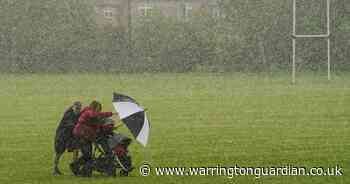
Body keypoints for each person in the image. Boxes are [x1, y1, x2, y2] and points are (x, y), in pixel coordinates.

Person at [70, 100, 114, 176]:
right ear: (94, 107)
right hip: (82, 135)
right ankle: (80, 169)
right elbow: (95, 115)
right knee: (87, 154)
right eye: (98, 108)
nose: (99, 110)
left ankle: (77, 167)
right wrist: (111, 114)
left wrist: (110, 127)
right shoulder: (89, 112)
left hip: (87, 136)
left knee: (88, 154)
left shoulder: (93, 115)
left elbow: (97, 125)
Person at [53, 101, 82, 176]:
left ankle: (75, 167)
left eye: (79, 109)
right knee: (59, 153)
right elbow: (72, 125)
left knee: (76, 149)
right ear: (73, 108)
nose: (78, 110)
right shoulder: (68, 115)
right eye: (77, 108)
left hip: (70, 136)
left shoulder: (78, 114)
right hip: (62, 136)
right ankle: (55, 169)